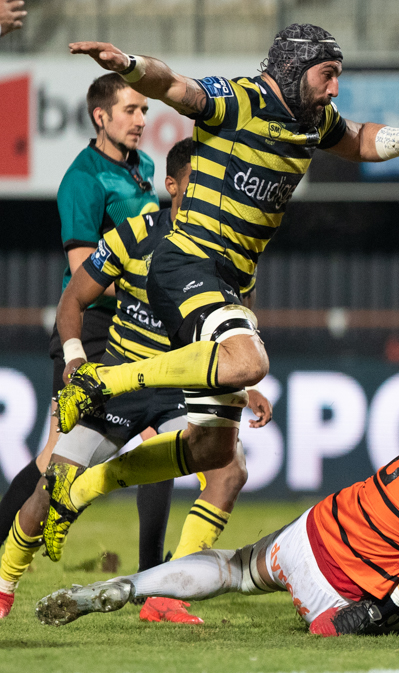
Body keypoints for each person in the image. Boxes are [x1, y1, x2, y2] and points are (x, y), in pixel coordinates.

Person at [44, 26, 399, 559]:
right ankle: (98, 391)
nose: (333, 90)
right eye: (327, 75)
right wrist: (130, 64)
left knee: (218, 455)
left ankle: (119, 528)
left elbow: (358, 140)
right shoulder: (241, 99)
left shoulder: (315, 121)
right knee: (242, 365)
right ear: (293, 68)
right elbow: (175, 87)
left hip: (228, 280)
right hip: (185, 264)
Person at [0, 140, 271, 623]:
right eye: (199, 184)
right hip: (118, 386)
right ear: (171, 186)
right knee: (51, 487)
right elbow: (72, 301)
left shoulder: (226, 249)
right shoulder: (133, 234)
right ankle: (4, 581)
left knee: (230, 469)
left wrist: (245, 385)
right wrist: (76, 360)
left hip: (181, 391)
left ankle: (166, 594)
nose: (211, 195)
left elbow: (233, 325)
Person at [36, 424, 399, 632]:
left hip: (317, 525)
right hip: (340, 589)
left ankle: (133, 585)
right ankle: (358, 622)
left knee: (234, 568)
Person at [0, 73, 172, 567]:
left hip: (134, 327)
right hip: (89, 330)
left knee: (161, 441)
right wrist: (150, 290)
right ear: (102, 116)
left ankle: (151, 582)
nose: (143, 119)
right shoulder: (82, 179)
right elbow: (82, 275)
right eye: (132, 110)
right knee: (54, 459)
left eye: (144, 110)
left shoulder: (143, 167)